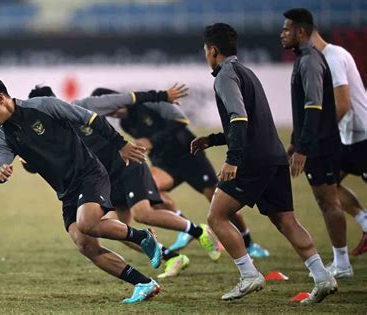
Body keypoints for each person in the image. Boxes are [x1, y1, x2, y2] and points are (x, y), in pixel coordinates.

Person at [0, 78, 162, 304]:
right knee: (86, 245)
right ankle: (144, 283)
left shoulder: (43, 106)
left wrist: (121, 145)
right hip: (67, 192)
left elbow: (90, 118)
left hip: (89, 174)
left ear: (1, 99)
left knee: (87, 223)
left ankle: (143, 237)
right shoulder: (4, 135)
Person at [191, 22, 336, 303]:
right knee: (286, 220)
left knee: (216, 217)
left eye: (205, 50)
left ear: (212, 50)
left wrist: (233, 159)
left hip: (251, 160)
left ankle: (249, 275)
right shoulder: (247, 72)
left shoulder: (224, 75)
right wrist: (212, 140)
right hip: (274, 156)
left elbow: (239, 118)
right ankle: (322, 276)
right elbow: (250, 123)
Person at [25, 84, 213, 279]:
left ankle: (198, 231)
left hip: (127, 166)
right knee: (119, 229)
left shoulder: (83, 106)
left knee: (143, 214)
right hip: (105, 179)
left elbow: (124, 99)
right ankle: (173, 257)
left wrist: (162, 95)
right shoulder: (51, 132)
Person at [85, 87, 270, 259]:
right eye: (109, 112)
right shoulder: (125, 123)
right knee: (151, 195)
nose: (113, 114)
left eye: (113, 108)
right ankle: (187, 227)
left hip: (188, 156)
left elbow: (181, 121)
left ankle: (248, 242)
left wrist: (151, 140)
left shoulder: (147, 105)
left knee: (220, 202)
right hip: (164, 162)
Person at [281, 8, 353, 278]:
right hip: (317, 143)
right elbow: (302, 110)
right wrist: (293, 142)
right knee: (327, 202)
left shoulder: (310, 61)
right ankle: (341, 261)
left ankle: (342, 263)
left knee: (328, 201)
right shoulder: (303, 59)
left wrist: (303, 148)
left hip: (321, 146)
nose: (282, 33)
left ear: (301, 31)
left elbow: (313, 107)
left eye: (287, 29)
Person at [311, 29, 367, 256]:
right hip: (349, 137)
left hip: (361, 136)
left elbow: (342, 104)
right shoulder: (332, 56)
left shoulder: (333, 58)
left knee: (326, 184)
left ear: (304, 33)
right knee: (326, 184)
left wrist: (321, 133)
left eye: (288, 31)